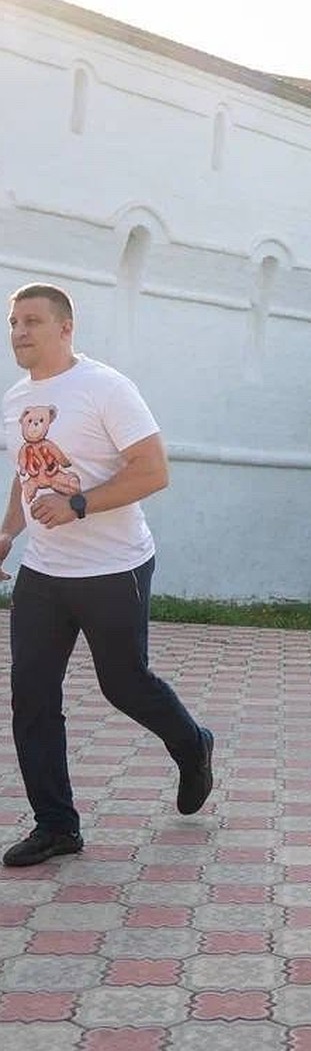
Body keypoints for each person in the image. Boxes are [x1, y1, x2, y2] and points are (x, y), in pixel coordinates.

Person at [0, 283, 214, 868]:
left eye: (33, 321)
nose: (19, 332)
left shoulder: (105, 387)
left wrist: (78, 505)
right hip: (43, 572)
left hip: (113, 567)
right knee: (32, 697)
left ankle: (193, 745)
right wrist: (8, 532)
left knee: (123, 683)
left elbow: (154, 471)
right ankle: (56, 824)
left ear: (66, 328)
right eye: (14, 321)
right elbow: (26, 475)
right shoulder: (18, 398)